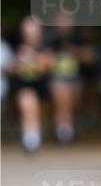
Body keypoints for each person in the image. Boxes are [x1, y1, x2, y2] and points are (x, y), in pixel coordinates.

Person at [45, 9, 93, 143]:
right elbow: (45, 60)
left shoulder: (79, 38)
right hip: (57, 78)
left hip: (76, 80)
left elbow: (90, 56)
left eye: (68, 19)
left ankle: (65, 129)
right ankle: (64, 132)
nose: (65, 23)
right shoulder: (51, 39)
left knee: (71, 103)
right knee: (62, 96)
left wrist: (75, 52)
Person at [10, 16, 53, 152]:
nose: (31, 34)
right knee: (28, 102)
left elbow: (47, 66)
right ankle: (31, 137)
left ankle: (33, 135)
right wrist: (19, 62)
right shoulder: (16, 47)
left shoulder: (46, 47)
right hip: (23, 85)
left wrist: (32, 58)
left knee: (35, 109)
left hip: (42, 86)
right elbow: (11, 68)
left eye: (34, 30)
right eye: (28, 30)